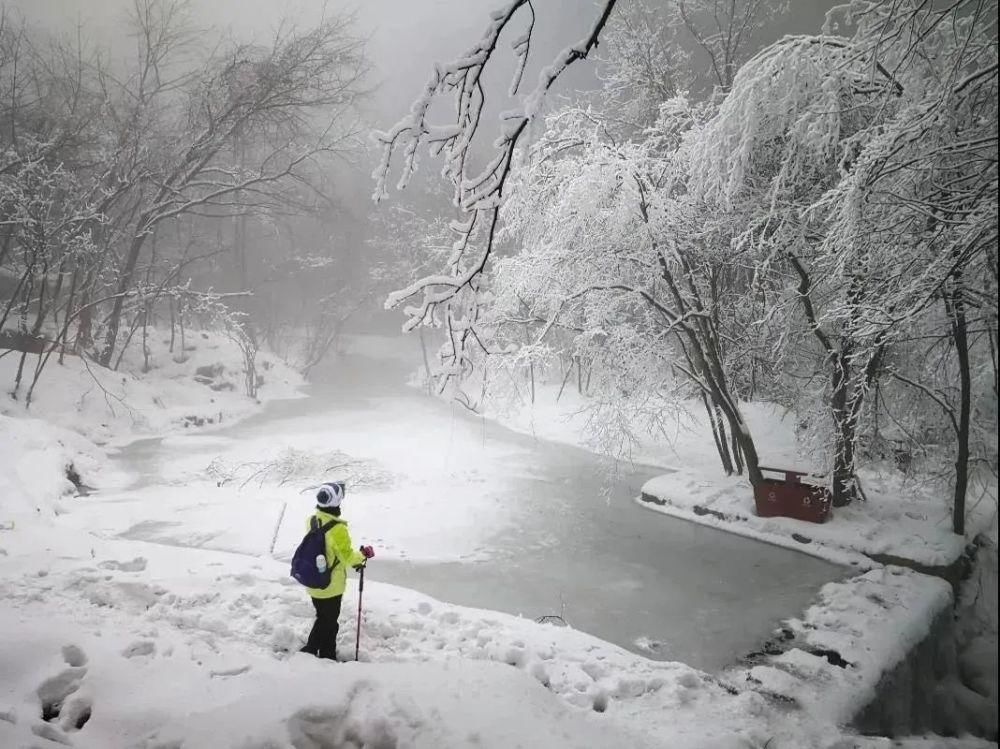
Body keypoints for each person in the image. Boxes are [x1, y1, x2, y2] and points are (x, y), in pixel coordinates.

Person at [299, 481, 373, 661]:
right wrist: (363, 555)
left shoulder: (312, 520)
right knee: (328, 621)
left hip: (313, 581)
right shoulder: (338, 529)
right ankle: (315, 652)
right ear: (337, 501)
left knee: (324, 618)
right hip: (331, 586)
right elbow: (347, 557)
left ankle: (325, 653)